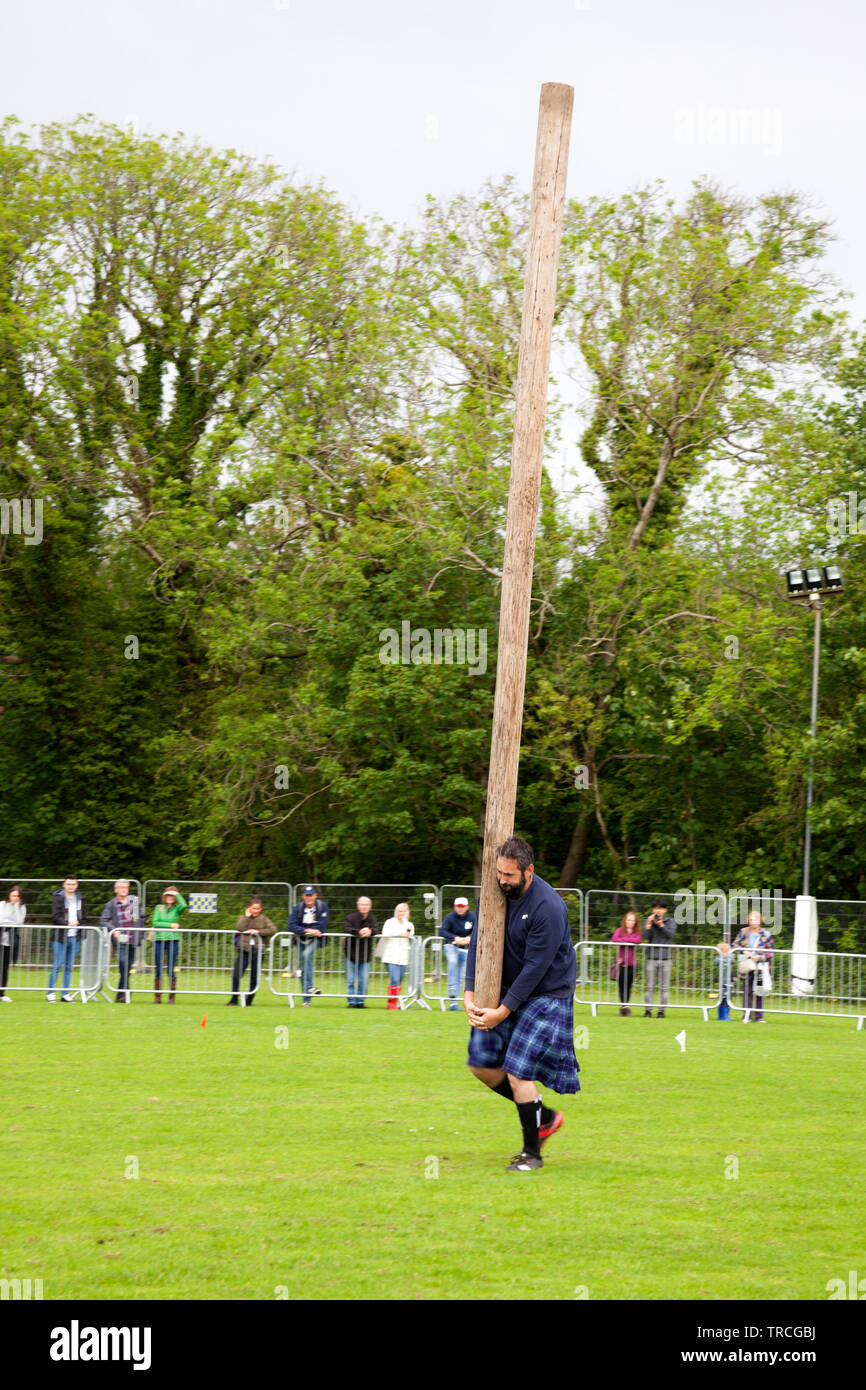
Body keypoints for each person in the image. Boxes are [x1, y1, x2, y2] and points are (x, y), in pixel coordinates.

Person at [464, 836, 579, 1172]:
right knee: (481, 1064)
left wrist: (502, 1011)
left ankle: (532, 1154)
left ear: (529, 871)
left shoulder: (549, 908)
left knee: (518, 1070)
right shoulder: (495, 895)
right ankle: (543, 1116)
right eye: (499, 873)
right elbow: (478, 943)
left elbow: (535, 969)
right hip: (507, 991)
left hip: (546, 995)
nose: (502, 880)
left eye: (510, 876)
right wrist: (470, 994)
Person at [100, 879, 146, 1003]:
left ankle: (122, 994)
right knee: (122, 963)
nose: (124, 889)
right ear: (116, 889)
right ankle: (126, 991)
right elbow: (103, 920)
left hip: (133, 939)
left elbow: (141, 918)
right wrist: (114, 930)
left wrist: (140, 933)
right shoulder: (111, 904)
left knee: (127, 966)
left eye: (126, 887)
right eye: (121, 887)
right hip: (120, 940)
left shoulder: (134, 902)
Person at [228, 897, 278, 1005]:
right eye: (254, 908)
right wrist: (246, 917)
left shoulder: (264, 918)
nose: (256, 910)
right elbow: (239, 927)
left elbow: (273, 930)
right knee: (236, 975)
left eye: (258, 908)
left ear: (261, 909)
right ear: (249, 908)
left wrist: (258, 931)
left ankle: (249, 1001)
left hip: (258, 951)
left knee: (254, 977)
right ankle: (234, 999)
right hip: (244, 950)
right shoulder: (243, 917)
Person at [729, 909, 774, 1022]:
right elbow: (734, 945)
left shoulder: (766, 934)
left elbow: (771, 951)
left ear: (759, 921)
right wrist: (746, 953)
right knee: (747, 989)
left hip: (760, 966)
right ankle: (747, 1015)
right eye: (750, 919)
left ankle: (759, 1016)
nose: (751, 921)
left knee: (759, 989)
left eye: (754, 919)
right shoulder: (743, 932)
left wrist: (760, 956)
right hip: (747, 965)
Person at [289, 885, 330, 1007]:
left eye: (311, 895)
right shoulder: (297, 908)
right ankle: (306, 1000)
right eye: (307, 895)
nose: (309, 898)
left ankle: (310, 986)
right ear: (303, 896)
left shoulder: (322, 907)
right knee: (304, 967)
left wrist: (306, 930)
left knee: (306, 955)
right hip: (301, 939)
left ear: (315, 895)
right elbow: (291, 926)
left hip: (316, 940)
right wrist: (308, 930)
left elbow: (322, 926)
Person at [48, 876, 88, 1002]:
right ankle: (51, 992)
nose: (71, 886)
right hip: (60, 937)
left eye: (73, 884)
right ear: (64, 884)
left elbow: (84, 917)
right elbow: (55, 916)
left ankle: (65, 993)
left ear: (77, 885)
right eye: (68, 884)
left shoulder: (80, 899)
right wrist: (67, 923)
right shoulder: (58, 898)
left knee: (69, 966)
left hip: (75, 937)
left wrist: (80, 925)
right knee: (57, 964)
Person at [147, 887, 187, 1003]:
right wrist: (171, 925)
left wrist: (177, 893)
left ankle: (171, 997)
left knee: (170, 968)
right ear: (164, 896)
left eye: (172, 895)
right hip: (159, 939)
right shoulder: (159, 908)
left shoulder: (177, 909)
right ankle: (157, 997)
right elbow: (155, 922)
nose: (170, 897)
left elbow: (184, 905)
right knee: (158, 968)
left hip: (172, 940)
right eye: (168, 895)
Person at [440, 896, 476, 1010]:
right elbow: (442, 931)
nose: (460, 909)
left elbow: (477, 930)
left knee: (461, 975)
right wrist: (455, 938)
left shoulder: (472, 917)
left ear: (467, 907)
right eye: (458, 906)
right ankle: (451, 989)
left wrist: (469, 938)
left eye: (462, 906)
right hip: (451, 945)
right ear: (455, 907)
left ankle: (453, 1003)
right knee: (452, 961)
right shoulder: (449, 917)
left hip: (465, 948)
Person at [643, 899, 676, 1018]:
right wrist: (648, 924)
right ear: (653, 910)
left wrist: (661, 925)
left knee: (664, 987)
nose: (658, 910)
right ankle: (648, 1011)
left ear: (665, 910)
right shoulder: (649, 921)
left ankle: (661, 1011)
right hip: (652, 957)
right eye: (656, 908)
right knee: (649, 986)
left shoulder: (671, 921)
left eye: (661, 908)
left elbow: (670, 935)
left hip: (666, 958)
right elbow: (646, 937)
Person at [343, 896, 378, 1007]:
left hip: (365, 955)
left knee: (364, 980)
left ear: (370, 906)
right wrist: (359, 932)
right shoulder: (350, 917)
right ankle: (352, 1001)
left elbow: (377, 930)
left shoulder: (372, 919)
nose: (364, 906)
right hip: (351, 953)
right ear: (358, 906)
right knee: (350, 980)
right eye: (362, 904)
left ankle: (360, 1001)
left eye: (366, 904)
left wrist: (370, 931)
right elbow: (347, 929)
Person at [380, 902, 414, 1010]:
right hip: (390, 955)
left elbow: (411, 933)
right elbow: (385, 933)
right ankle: (391, 1003)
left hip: (403, 956)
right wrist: (399, 934)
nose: (402, 913)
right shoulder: (389, 922)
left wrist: (406, 934)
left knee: (399, 979)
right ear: (396, 912)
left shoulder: (409, 924)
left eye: (404, 911)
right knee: (394, 979)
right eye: (400, 911)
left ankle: (395, 1001)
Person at [611, 910, 642, 1016]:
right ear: (625, 921)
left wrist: (623, 940)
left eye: (633, 920)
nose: (631, 922)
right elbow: (614, 939)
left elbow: (638, 940)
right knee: (621, 985)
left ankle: (625, 1005)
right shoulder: (619, 930)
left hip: (632, 963)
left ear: (635, 922)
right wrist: (628, 940)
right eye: (629, 920)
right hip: (621, 963)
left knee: (628, 985)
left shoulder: (637, 932)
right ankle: (624, 1007)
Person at [0, 886, 25, 1001]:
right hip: (1, 934)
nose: (15, 898)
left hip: (10, 940)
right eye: (13, 895)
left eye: (18, 896)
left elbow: (19, 921)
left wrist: (16, 907)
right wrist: (10, 921)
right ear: (9, 895)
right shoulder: (2, 905)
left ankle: (1, 993)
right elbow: (1, 919)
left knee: (4, 968)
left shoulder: (21, 907)